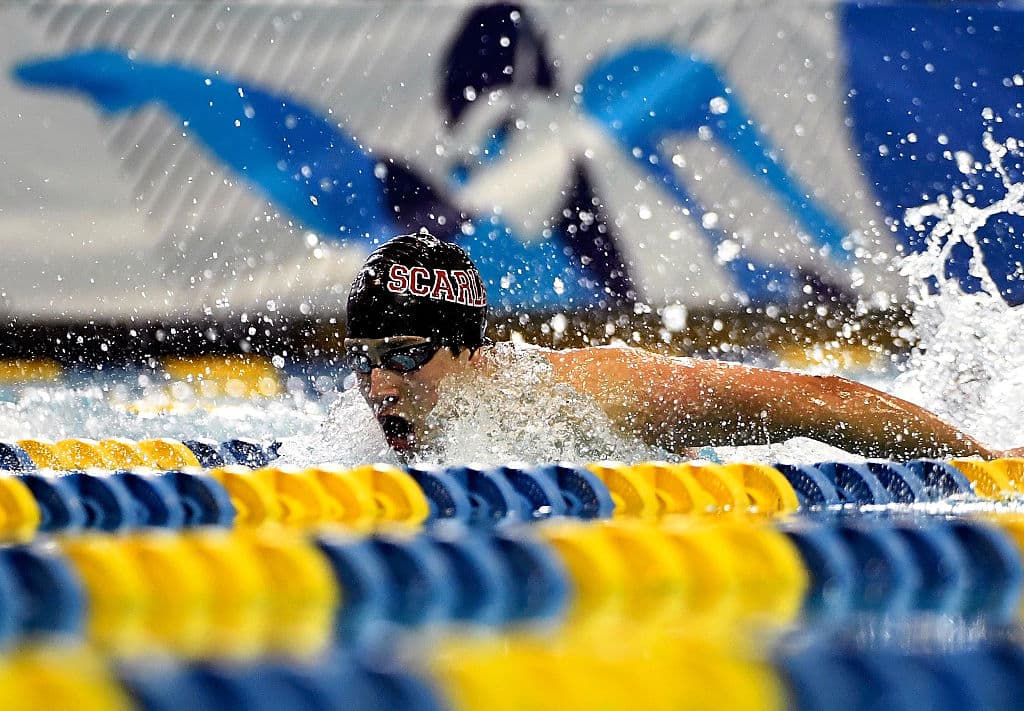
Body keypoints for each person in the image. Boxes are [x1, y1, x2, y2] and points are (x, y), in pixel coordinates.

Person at [343, 231, 1018, 462]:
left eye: (403, 353)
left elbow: (815, 400)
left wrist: (986, 461)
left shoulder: (588, 394)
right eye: (365, 358)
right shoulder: (362, 434)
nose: (380, 386)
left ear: (468, 344)